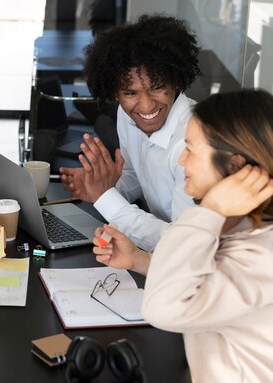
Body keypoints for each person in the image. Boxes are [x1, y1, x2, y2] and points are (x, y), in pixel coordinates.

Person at [93, 89, 273, 382]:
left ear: (235, 166)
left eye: (190, 149)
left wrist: (211, 210)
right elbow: (207, 282)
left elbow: (163, 308)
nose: (181, 161)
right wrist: (139, 260)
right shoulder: (242, 231)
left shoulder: (261, 256)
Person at [59, 14, 201, 251]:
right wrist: (102, 185)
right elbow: (137, 173)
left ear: (177, 81)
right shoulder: (127, 115)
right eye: (131, 93)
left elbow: (182, 245)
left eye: (157, 88)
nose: (146, 106)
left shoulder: (195, 143)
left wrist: (106, 198)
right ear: (115, 93)